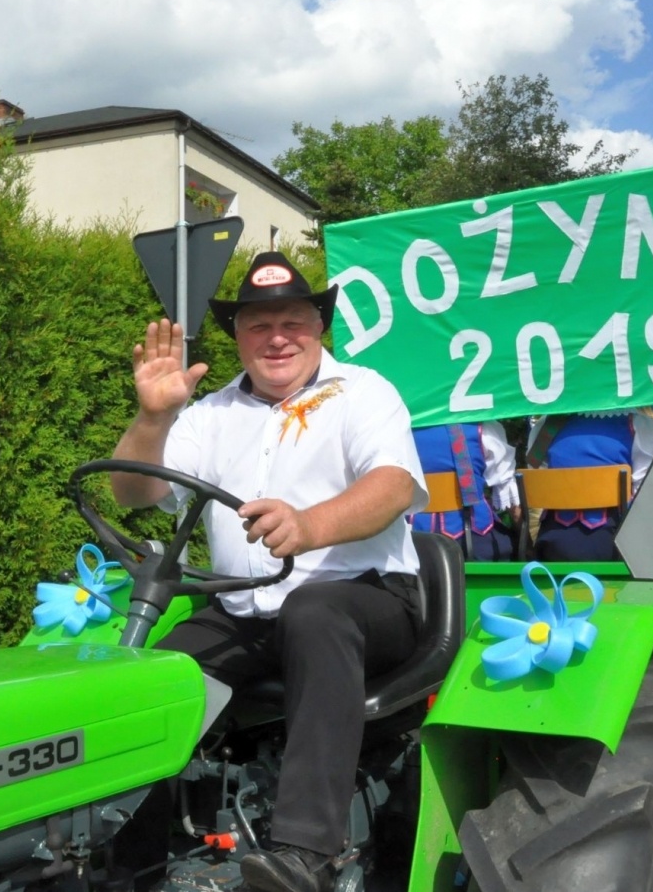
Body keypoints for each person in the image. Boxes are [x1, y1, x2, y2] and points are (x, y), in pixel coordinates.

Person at [109, 251, 427, 892]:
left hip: (368, 601)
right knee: (149, 679)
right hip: (247, 611)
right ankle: (127, 861)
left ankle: (305, 853)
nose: (277, 337)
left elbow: (393, 486)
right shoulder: (210, 415)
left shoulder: (363, 393)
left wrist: (309, 526)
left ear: (319, 328)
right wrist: (152, 417)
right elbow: (132, 492)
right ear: (238, 337)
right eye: (259, 325)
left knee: (315, 611)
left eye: (293, 322)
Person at [524, 410, 653, 561]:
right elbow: (646, 490)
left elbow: (535, 474)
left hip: (551, 543)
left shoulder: (547, 425)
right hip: (615, 545)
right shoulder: (639, 424)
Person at [409, 422, 520, 560]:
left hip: (409, 546)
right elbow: (510, 499)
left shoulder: (395, 429)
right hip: (475, 541)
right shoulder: (483, 427)